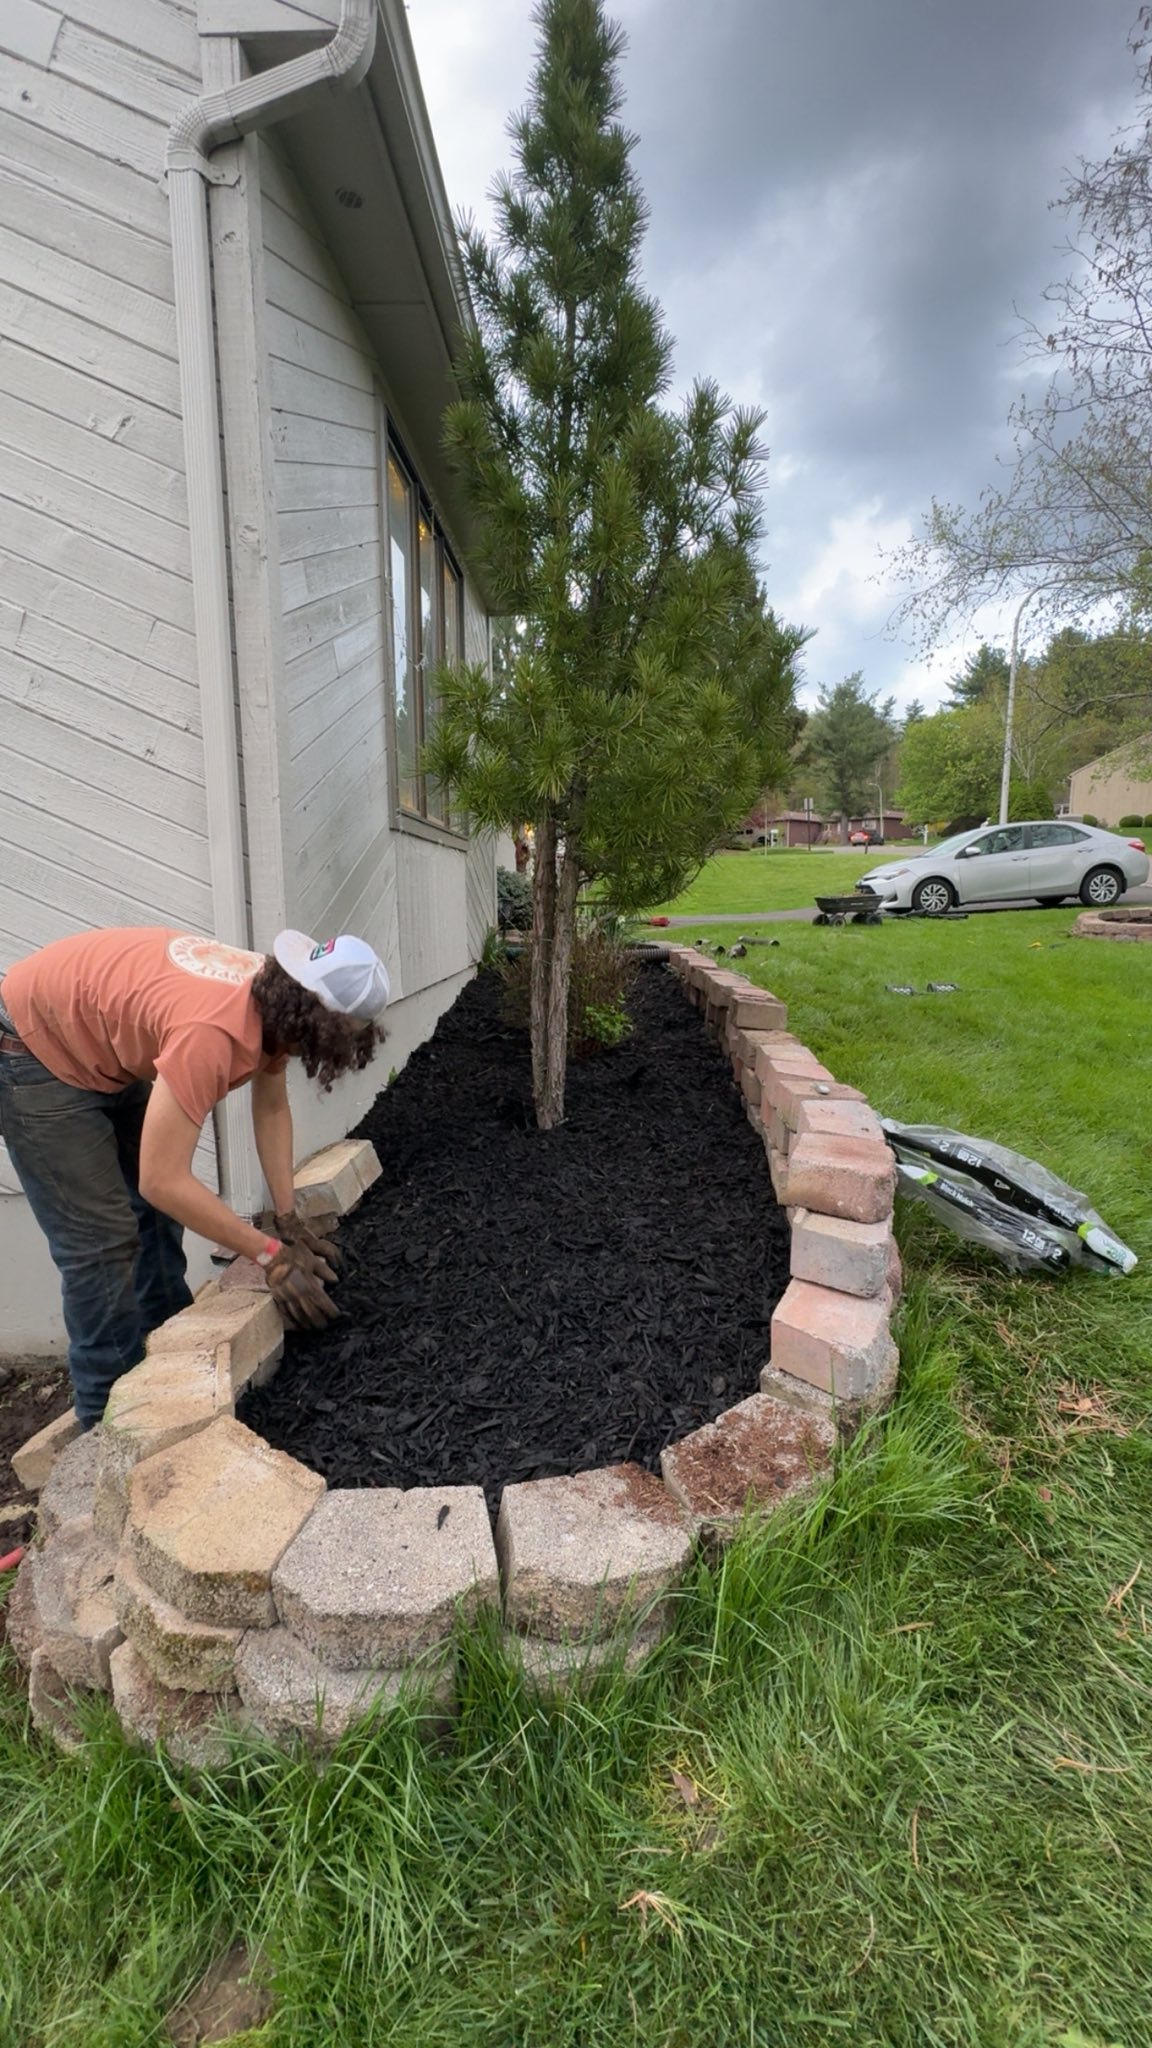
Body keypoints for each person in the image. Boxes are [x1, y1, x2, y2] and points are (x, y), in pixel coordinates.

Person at [0, 926, 390, 1429]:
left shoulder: (275, 999)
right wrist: (268, 1254)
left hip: (101, 1044)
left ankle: (167, 1360)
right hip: (33, 1049)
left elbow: (271, 1108)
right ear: (318, 1021)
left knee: (156, 1224)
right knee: (101, 1244)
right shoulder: (215, 1030)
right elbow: (161, 1179)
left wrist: (287, 1217)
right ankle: (107, 1425)